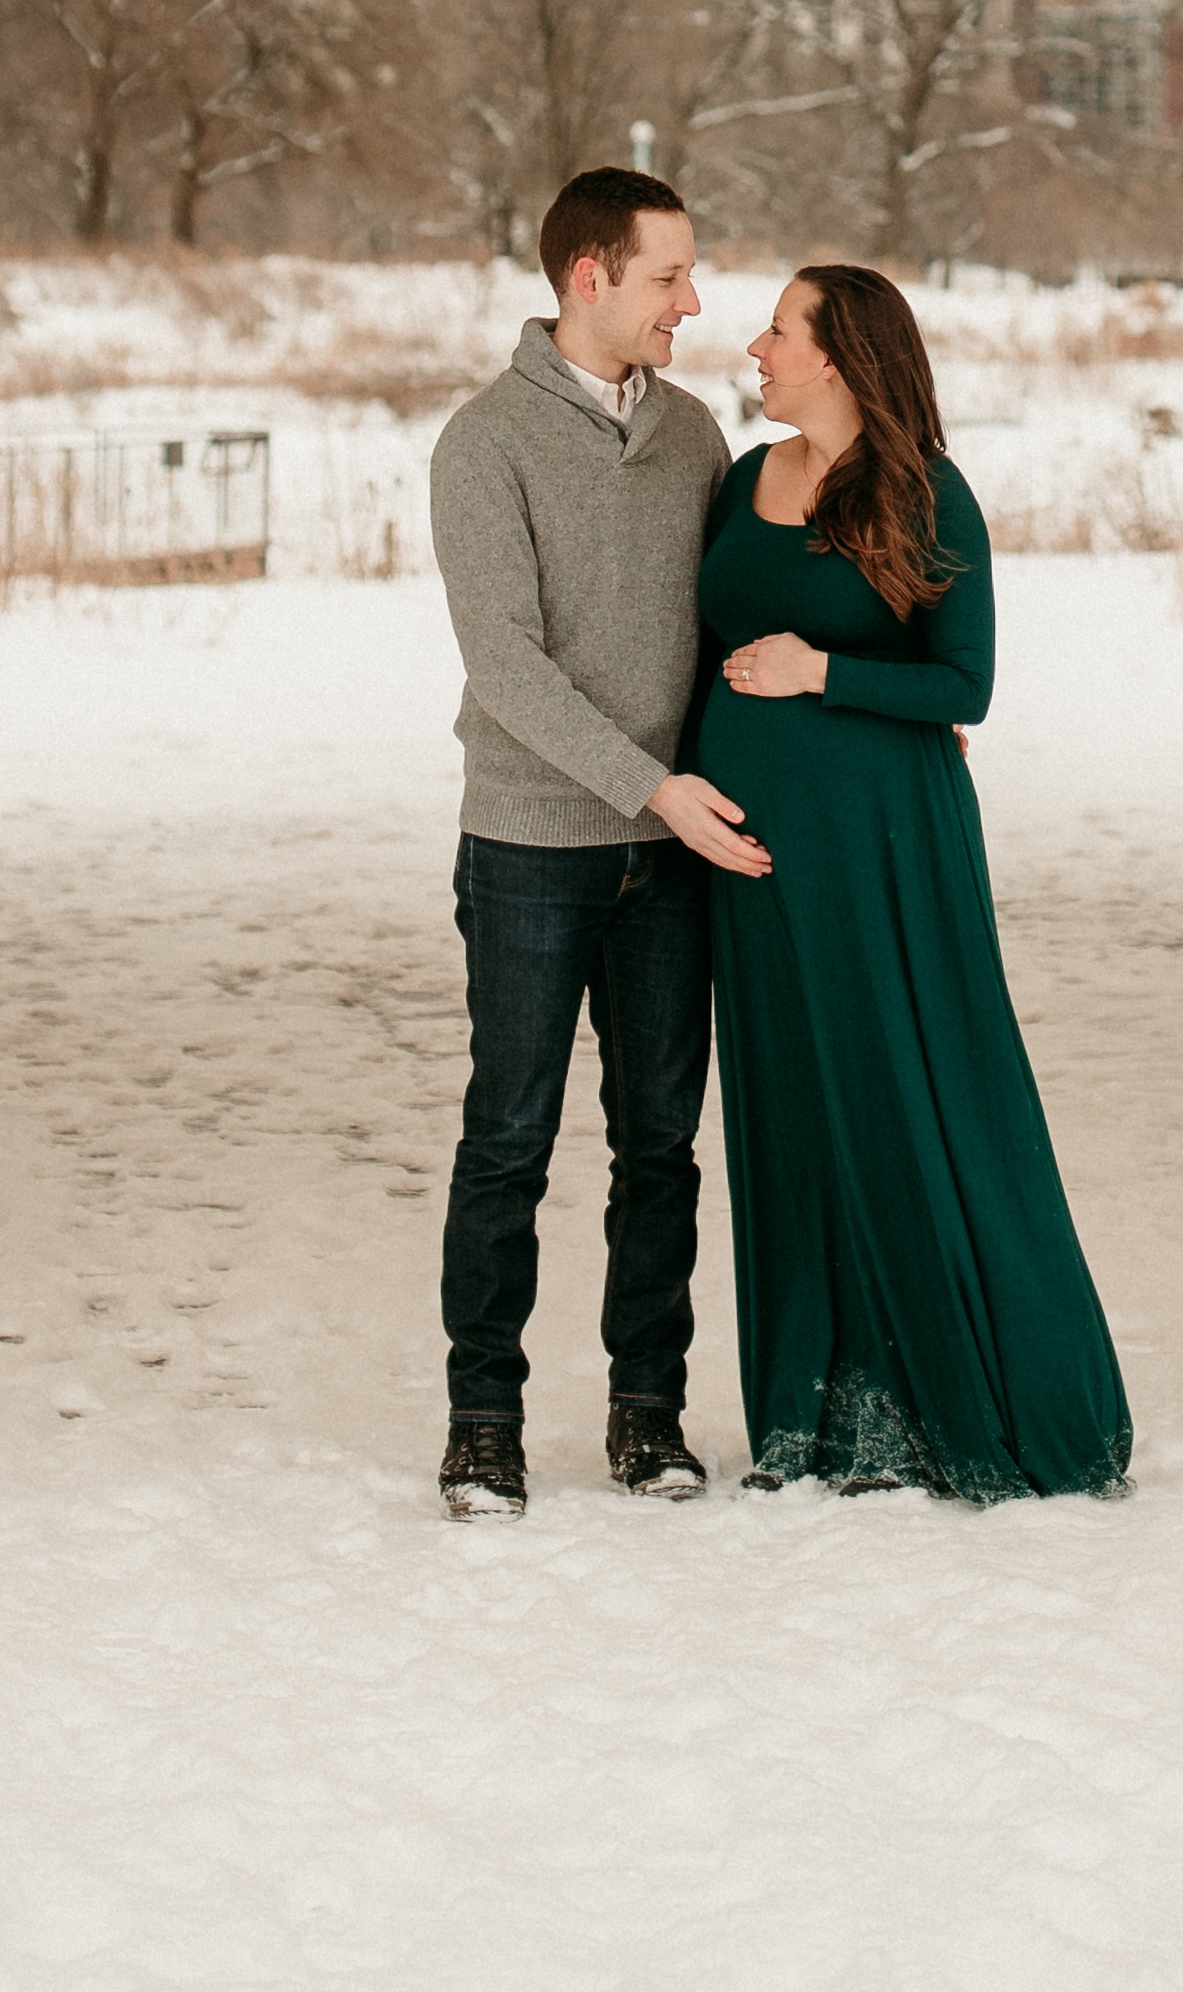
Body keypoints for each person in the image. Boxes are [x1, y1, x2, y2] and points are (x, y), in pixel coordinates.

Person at [697, 264, 1130, 1501]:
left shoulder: (929, 494)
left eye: (779, 328)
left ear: (837, 356)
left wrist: (823, 674)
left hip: (886, 851)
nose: (756, 346)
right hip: (756, 858)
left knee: (914, 1095)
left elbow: (964, 686)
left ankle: (965, 1396)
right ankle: (813, 1415)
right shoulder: (742, 478)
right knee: (788, 1110)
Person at [422, 166, 766, 1521]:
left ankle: (647, 1413)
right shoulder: (483, 443)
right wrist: (650, 786)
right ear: (589, 279)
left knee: (661, 1144)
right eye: (669, 274)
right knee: (507, 1137)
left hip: (667, 855)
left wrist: (872, 721)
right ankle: (481, 1422)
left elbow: (738, 624)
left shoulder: (693, 438)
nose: (694, 299)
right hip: (528, 843)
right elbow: (504, 661)